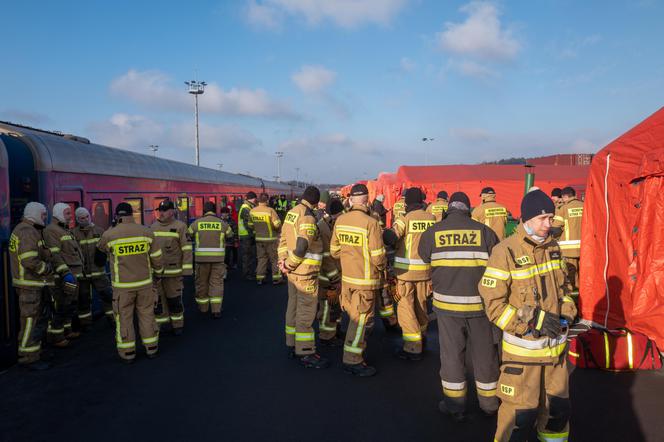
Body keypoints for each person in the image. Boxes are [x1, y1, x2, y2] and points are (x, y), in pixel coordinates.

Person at [478, 190, 577, 442]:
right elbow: (494, 306)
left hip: (556, 356)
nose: (549, 224)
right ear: (527, 219)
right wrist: (532, 321)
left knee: (557, 415)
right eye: (543, 218)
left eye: (551, 217)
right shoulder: (504, 252)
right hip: (523, 358)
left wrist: (567, 312)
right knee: (518, 419)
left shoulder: (553, 248)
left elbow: (565, 289)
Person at [419, 192, 500, 421]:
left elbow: (424, 256)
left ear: (449, 209)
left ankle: (455, 406)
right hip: (480, 307)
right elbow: (499, 263)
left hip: (447, 308)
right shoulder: (485, 232)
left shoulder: (433, 232)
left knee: (452, 356)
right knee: (485, 355)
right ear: (469, 208)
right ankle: (489, 403)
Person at [96, 203, 163, 363]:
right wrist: (158, 274)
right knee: (147, 315)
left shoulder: (109, 235)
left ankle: (128, 353)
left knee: (124, 318)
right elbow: (157, 258)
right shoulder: (146, 232)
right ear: (132, 214)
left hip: (122, 288)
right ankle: (151, 348)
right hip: (145, 284)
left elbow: (98, 260)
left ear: (117, 215)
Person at [330, 183, 386, 376]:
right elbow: (378, 256)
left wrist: (349, 256)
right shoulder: (371, 223)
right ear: (367, 200)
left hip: (347, 280)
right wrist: (383, 269)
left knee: (352, 317)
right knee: (361, 320)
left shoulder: (341, 221)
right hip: (365, 282)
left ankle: (350, 349)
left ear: (351, 200)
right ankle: (352, 360)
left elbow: (334, 251)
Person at [278, 186, 328, 368]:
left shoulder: (291, 212)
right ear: (315, 202)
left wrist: (283, 262)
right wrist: (291, 264)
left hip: (292, 273)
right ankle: (306, 351)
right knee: (306, 312)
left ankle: (292, 343)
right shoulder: (307, 216)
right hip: (304, 272)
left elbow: (283, 240)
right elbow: (302, 246)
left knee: (292, 308)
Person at [383, 188, 435, 361]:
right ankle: (422, 336)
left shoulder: (405, 219)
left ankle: (412, 347)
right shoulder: (431, 219)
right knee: (421, 306)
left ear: (407, 203)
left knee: (405, 308)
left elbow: (391, 237)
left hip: (406, 273)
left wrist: (383, 232)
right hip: (425, 272)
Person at [9, 202, 53, 370]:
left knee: (32, 320)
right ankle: (28, 357)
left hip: (28, 285)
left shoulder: (22, 229)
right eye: (42, 215)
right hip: (30, 286)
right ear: (34, 214)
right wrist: (46, 269)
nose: (44, 218)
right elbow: (29, 261)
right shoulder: (28, 232)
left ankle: (35, 352)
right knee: (29, 321)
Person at [150, 200, 192, 334]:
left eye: (165, 210)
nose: (161, 213)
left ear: (172, 211)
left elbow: (186, 248)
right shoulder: (153, 227)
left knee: (174, 299)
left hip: (174, 272)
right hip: (157, 273)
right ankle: (162, 325)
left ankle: (177, 324)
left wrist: (186, 269)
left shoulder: (180, 226)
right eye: (160, 210)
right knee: (159, 302)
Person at [43, 203, 81, 344]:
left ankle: (67, 331)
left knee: (70, 303)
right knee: (62, 305)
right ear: (58, 214)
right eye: (67, 213)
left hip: (72, 276)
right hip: (63, 278)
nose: (70, 217)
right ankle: (57, 337)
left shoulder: (63, 229)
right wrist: (65, 272)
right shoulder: (51, 231)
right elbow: (55, 255)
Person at [188, 202, 233, 318]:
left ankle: (203, 308)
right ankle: (216, 310)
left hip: (201, 260)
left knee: (201, 283)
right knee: (216, 283)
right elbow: (230, 234)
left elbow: (188, 234)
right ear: (214, 211)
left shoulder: (197, 223)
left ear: (204, 211)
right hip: (218, 260)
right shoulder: (221, 223)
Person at [72, 207, 113, 327]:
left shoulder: (99, 231)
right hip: (83, 274)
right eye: (81, 218)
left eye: (86, 217)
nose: (84, 219)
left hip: (99, 272)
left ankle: (113, 319)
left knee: (107, 296)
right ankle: (85, 323)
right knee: (83, 300)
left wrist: (104, 259)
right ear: (77, 219)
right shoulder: (73, 234)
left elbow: (108, 248)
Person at [316, 198, 344, 346]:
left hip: (336, 273)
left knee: (335, 306)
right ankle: (326, 336)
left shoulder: (331, 224)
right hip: (327, 276)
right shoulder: (323, 228)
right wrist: (335, 279)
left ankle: (335, 330)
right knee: (326, 307)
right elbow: (327, 257)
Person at [552, 186, 584, 299]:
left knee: (570, 278)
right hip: (585, 248)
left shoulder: (564, 209)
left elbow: (555, 228)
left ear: (565, 196)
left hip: (569, 249)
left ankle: (572, 303)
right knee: (583, 277)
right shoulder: (585, 206)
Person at [250, 193, 282, 285]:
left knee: (261, 258)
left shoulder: (252, 211)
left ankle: (260, 278)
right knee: (274, 259)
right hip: (271, 239)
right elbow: (277, 224)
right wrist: (278, 231)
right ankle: (276, 278)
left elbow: (250, 225)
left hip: (259, 239)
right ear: (267, 201)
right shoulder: (270, 210)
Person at [238, 192, 257, 279]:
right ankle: (247, 274)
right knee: (247, 255)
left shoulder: (248, 207)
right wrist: (252, 233)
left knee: (249, 255)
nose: (255, 200)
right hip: (246, 235)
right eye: (254, 199)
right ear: (252, 198)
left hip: (246, 235)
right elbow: (247, 224)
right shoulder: (246, 208)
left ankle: (249, 272)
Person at [221, 207, 238, 271]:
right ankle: (226, 266)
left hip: (231, 241)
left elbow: (235, 231)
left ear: (228, 213)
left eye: (226, 213)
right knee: (226, 255)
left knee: (234, 252)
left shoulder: (232, 221)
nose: (224, 214)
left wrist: (236, 240)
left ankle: (234, 263)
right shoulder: (219, 221)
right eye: (223, 213)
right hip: (222, 241)